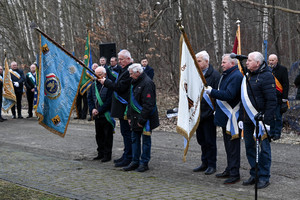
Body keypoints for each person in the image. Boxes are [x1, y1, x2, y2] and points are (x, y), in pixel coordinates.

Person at [205, 54, 243, 184]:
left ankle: (234, 173)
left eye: (224, 62)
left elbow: (229, 95)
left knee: (233, 147)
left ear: (232, 63)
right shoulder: (226, 74)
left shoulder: (236, 76)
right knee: (228, 146)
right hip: (225, 117)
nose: (221, 64)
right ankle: (229, 168)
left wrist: (212, 92)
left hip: (231, 117)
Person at [241, 51, 277, 189]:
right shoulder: (248, 76)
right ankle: (254, 173)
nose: (247, 62)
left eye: (249, 60)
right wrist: (241, 118)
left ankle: (264, 176)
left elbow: (271, 101)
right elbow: (243, 99)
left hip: (262, 119)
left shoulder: (267, 76)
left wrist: (267, 122)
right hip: (248, 119)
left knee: (264, 149)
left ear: (258, 63)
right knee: (249, 146)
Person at [123, 63, 159, 172]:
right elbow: (131, 100)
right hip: (134, 117)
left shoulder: (147, 83)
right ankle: (135, 161)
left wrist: (142, 120)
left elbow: (148, 104)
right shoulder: (134, 82)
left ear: (138, 73)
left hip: (144, 119)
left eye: (131, 74)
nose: (130, 76)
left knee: (146, 141)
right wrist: (129, 116)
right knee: (135, 140)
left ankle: (144, 163)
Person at [100, 49, 132, 168]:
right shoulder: (123, 69)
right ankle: (126, 154)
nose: (119, 62)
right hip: (121, 108)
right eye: (118, 60)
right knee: (124, 133)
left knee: (127, 133)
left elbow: (120, 87)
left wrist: (106, 82)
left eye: (121, 59)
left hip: (126, 108)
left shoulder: (130, 70)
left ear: (128, 59)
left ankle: (129, 156)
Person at [192, 51, 220, 175]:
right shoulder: (195, 74)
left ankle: (212, 164)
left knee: (210, 141)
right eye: (196, 61)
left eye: (199, 61)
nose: (197, 63)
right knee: (201, 139)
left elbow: (217, 94)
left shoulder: (214, 75)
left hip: (209, 113)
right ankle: (204, 162)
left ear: (206, 62)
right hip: (198, 112)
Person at [88, 66, 114, 162]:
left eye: (99, 75)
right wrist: (92, 109)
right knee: (99, 135)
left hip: (106, 115)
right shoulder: (93, 85)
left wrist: (100, 110)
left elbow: (109, 100)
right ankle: (100, 153)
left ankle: (107, 155)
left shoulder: (109, 84)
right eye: (96, 75)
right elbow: (90, 98)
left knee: (107, 136)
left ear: (105, 75)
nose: (97, 77)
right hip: (97, 115)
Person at [268, 54, 289, 140]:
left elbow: (285, 84)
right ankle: (271, 133)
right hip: (269, 97)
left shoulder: (283, 69)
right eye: (270, 60)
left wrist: (284, 99)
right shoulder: (267, 70)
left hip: (279, 97)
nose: (271, 62)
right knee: (270, 116)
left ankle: (277, 133)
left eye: (273, 60)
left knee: (278, 116)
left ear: (277, 60)